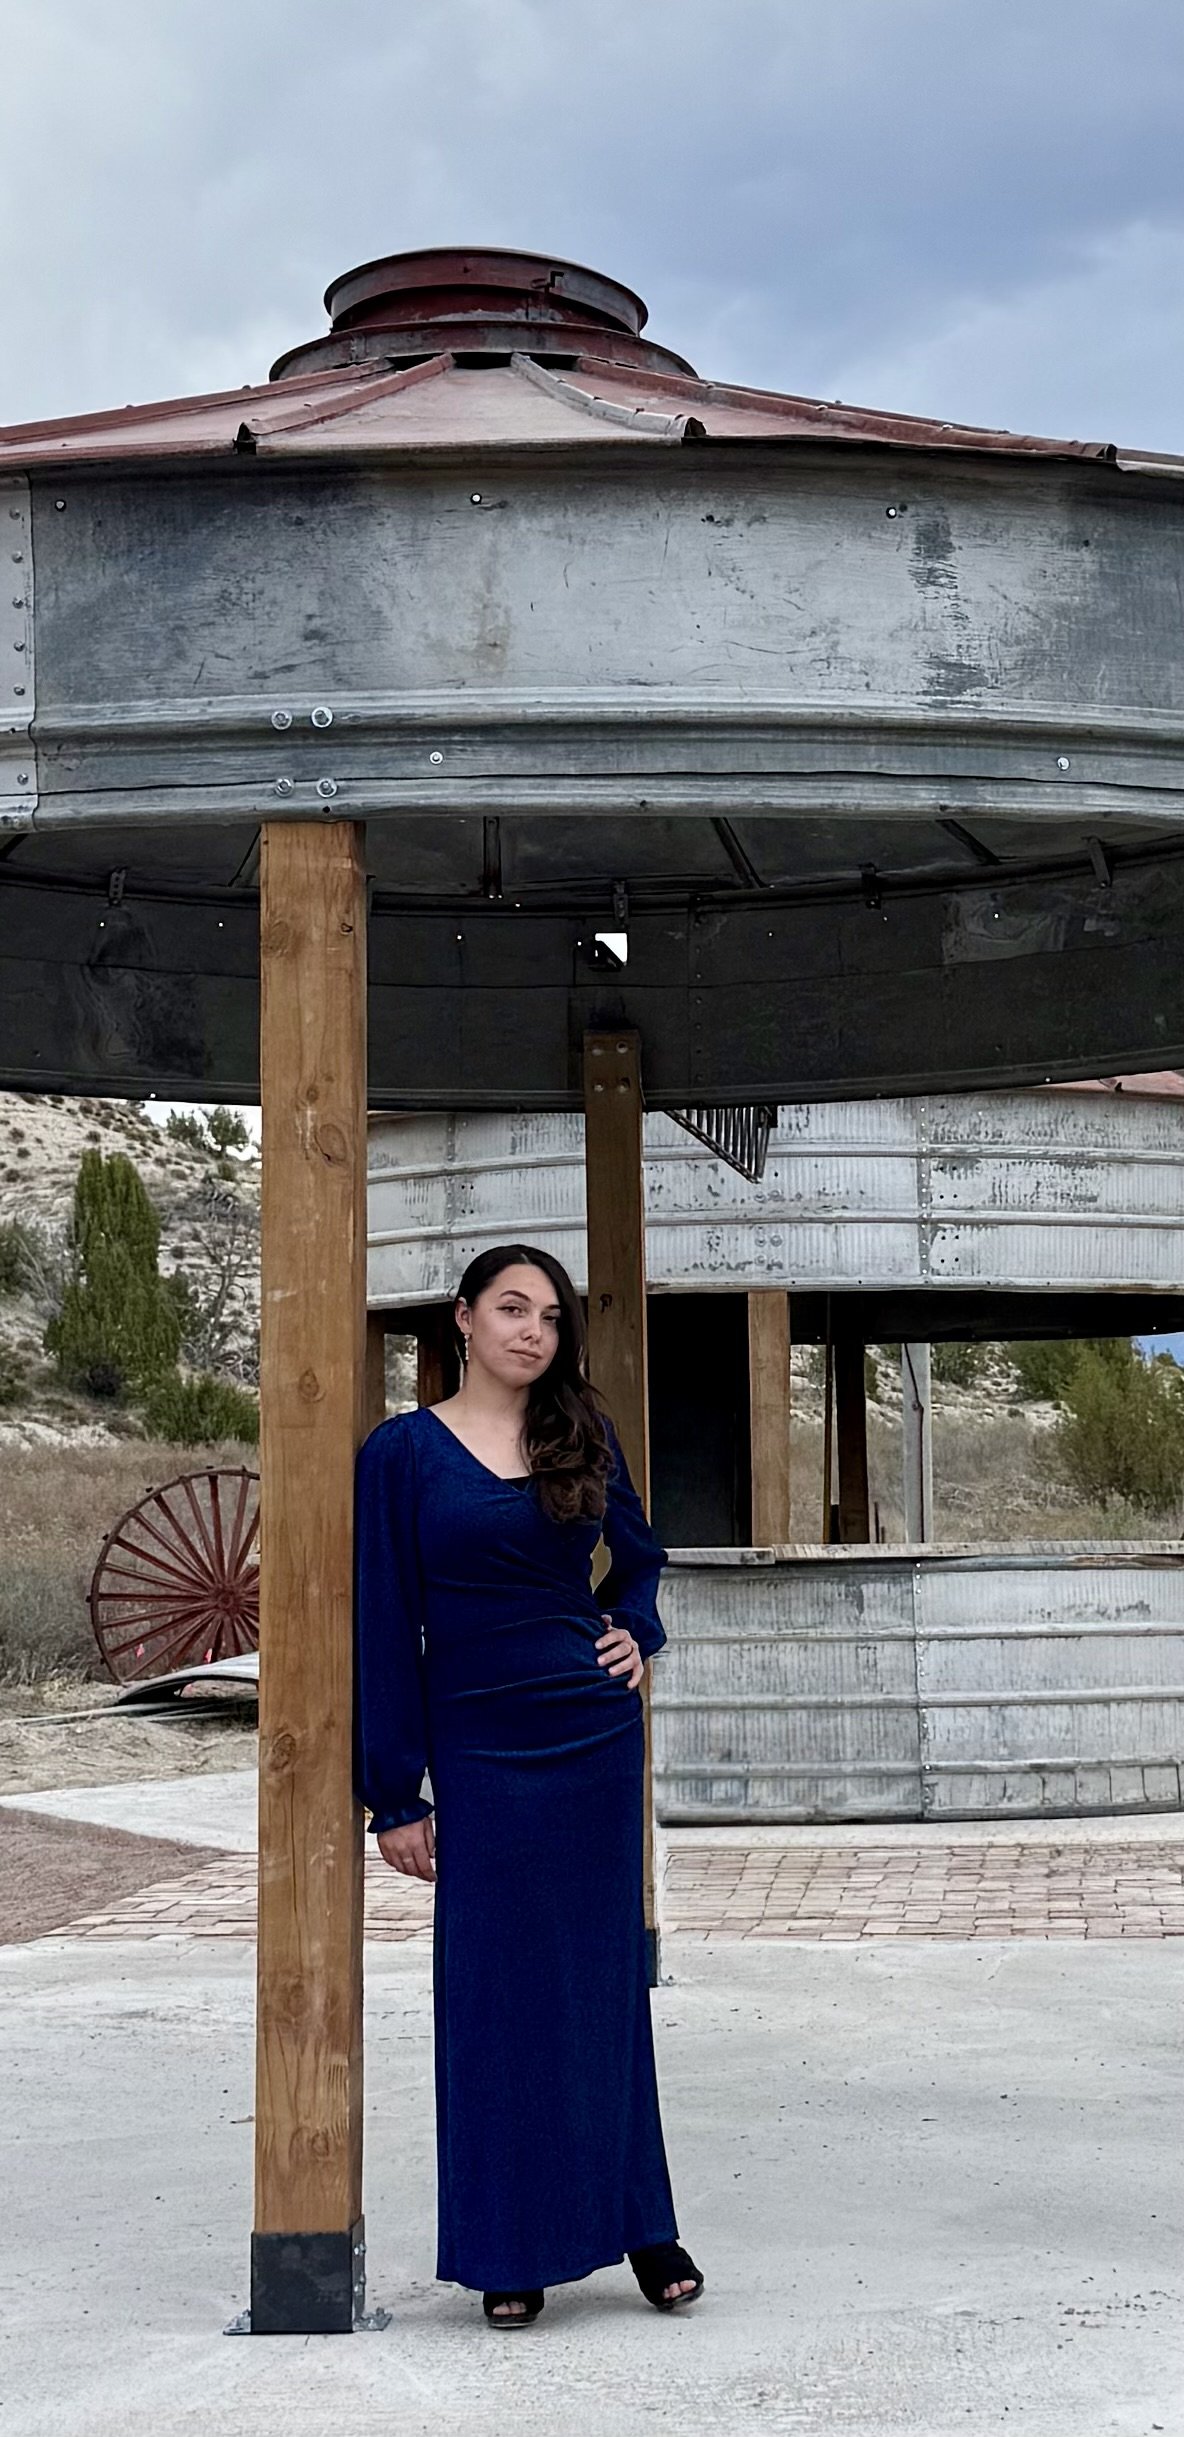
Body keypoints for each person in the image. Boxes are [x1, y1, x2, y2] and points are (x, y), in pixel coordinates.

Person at [353, 1242, 704, 2327]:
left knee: (599, 1987)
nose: (532, 1332)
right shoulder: (399, 1454)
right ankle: (512, 2242)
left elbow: (639, 1560)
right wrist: (396, 1795)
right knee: (493, 1994)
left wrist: (634, 1636)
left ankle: (641, 2223)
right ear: (463, 1318)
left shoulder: (581, 1433)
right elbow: (378, 1623)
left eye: (549, 1317)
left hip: (586, 1738)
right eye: (511, 1309)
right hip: (476, 1747)